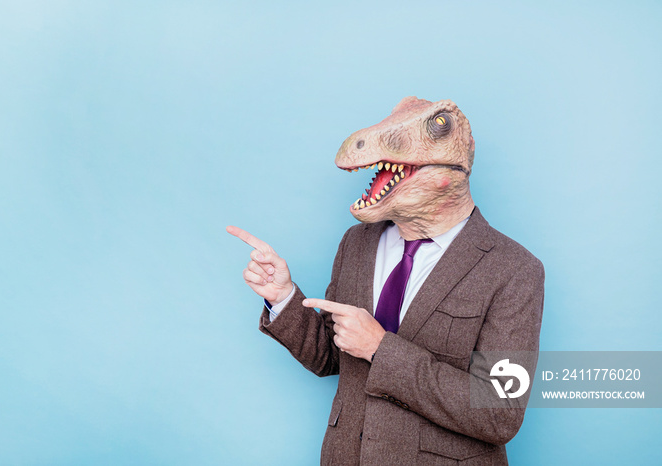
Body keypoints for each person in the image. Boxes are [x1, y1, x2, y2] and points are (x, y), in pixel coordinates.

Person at [228, 97, 544, 465]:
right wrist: (282, 297)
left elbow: (499, 412)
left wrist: (381, 349)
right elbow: (333, 358)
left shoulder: (515, 269)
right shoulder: (356, 243)